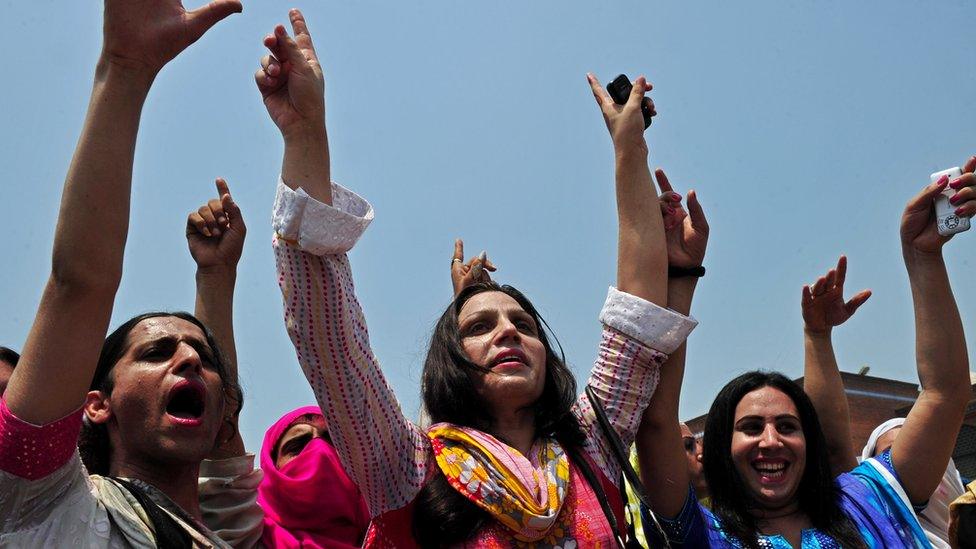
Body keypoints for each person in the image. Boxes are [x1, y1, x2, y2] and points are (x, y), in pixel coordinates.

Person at [257, 11, 697, 545]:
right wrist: (306, 135)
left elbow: (637, 318)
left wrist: (630, 151)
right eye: (480, 326)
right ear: (450, 359)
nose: (508, 332)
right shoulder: (408, 466)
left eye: (523, 324)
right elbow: (332, 344)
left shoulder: (591, 448)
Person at [0, 0, 263, 545]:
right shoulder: (43, 504)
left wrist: (216, 278)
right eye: (154, 352)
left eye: (203, 359)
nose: (189, 358)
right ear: (96, 403)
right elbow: (80, 286)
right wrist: (125, 72)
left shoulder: (229, 537)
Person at [640, 158, 976, 548]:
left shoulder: (868, 500)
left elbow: (944, 393)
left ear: (808, 443)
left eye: (787, 426)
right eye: (750, 428)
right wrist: (679, 277)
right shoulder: (702, 536)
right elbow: (658, 422)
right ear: (719, 448)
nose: (771, 441)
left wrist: (923, 257)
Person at [257, 406, 370, 548]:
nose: (320, 452)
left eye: (333, 443)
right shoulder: (241, 534)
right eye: (298, 446)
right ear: (273, 466)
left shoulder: (386, 533)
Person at [861, 418, 964, 548]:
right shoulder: (867, 536)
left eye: (920, 450)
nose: (911, 460)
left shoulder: (970, 506)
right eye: (891, 453)